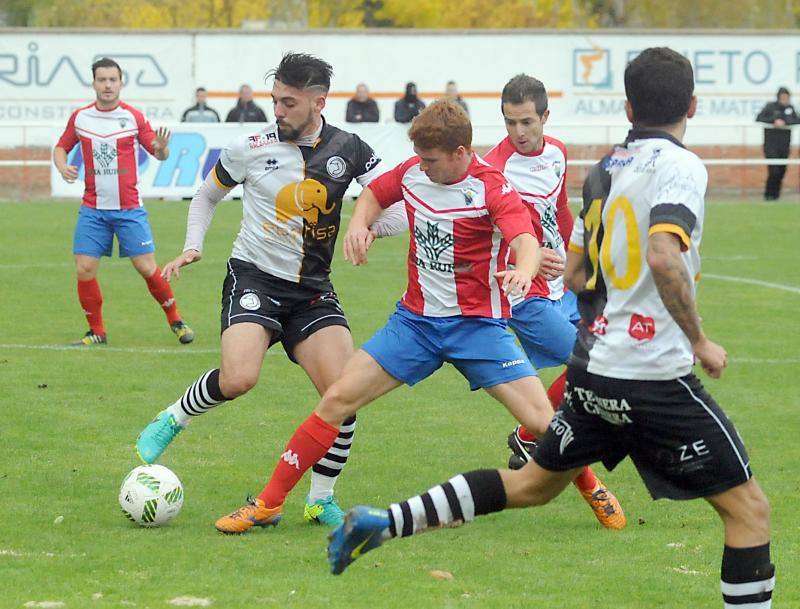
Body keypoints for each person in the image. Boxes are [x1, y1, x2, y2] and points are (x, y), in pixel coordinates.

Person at [327, 48, 775, 609]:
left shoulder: (608, 166)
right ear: (692, 104)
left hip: (594, 369)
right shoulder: (682, 166)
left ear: (629, 106)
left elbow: (580, 267)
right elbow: (664, 256)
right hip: (653, 374)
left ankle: (386, 522)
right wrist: (700, 339)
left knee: (531, 485)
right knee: (749, 510)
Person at [212, 99, 559, 536]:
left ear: (460, 153)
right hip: (413, 326)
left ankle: (592, 486)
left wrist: (524, 271)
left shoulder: (492, 187)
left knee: (542, 423)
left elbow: (524, 239)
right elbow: (376, 193)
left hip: (477, 328)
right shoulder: (414, 171)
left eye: (431, 160)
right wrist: (360, 225)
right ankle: (267, 503)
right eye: (420, 159)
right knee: (337, 399)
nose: (423, 167)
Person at [135, 52, 402, 527]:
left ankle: (320, 497)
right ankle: (173, 417)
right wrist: (194, 245)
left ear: (319, 101)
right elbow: (207, 194)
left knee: (344, 393)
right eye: (275, 100)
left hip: (312, 289)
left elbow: (397, 205)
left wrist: (369, 229)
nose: (277, 111)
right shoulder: (249, 145)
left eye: (289, 103)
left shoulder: (350, 148)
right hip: (254, 276)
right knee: (239, 378)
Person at [484, 74, 624, 528]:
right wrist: (526, 254)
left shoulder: (557, 153)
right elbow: (488, 231)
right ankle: (539, 440)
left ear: (545, 117)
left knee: (599, 351)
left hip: (558, 282)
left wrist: (573, 260)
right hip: (520, 291)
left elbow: (560, 208)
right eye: (509, 123)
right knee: (592, 359)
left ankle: (529, 435)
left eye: (526, 122)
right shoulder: (495, 169)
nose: (518, 132)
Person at [53, 57, 194, 347]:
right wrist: (61, 165)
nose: (107, 85)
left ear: (120, 83)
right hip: (93, 209)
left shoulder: (133, 117)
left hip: (129, 208)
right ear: (94, 82)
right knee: (84, 268)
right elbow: (60, 147)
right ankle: (97, 331)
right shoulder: (81, 118)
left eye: (112, 80)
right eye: (102, 79)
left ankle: (175, 320)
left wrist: (163, 148)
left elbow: (158, 152)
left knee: (145, 267)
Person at [756, 87, 799, 200]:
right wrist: (773, 121)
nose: (785, 100)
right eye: (783, 97)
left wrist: (785, 123)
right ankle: (769, 195)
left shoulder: (790, 108)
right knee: (774, 170)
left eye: (787, 98)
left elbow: (797, 120)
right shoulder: (770, 107)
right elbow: (759, 118)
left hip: (784, 145)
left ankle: (776, 196)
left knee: (782, 170)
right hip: (771, 145)